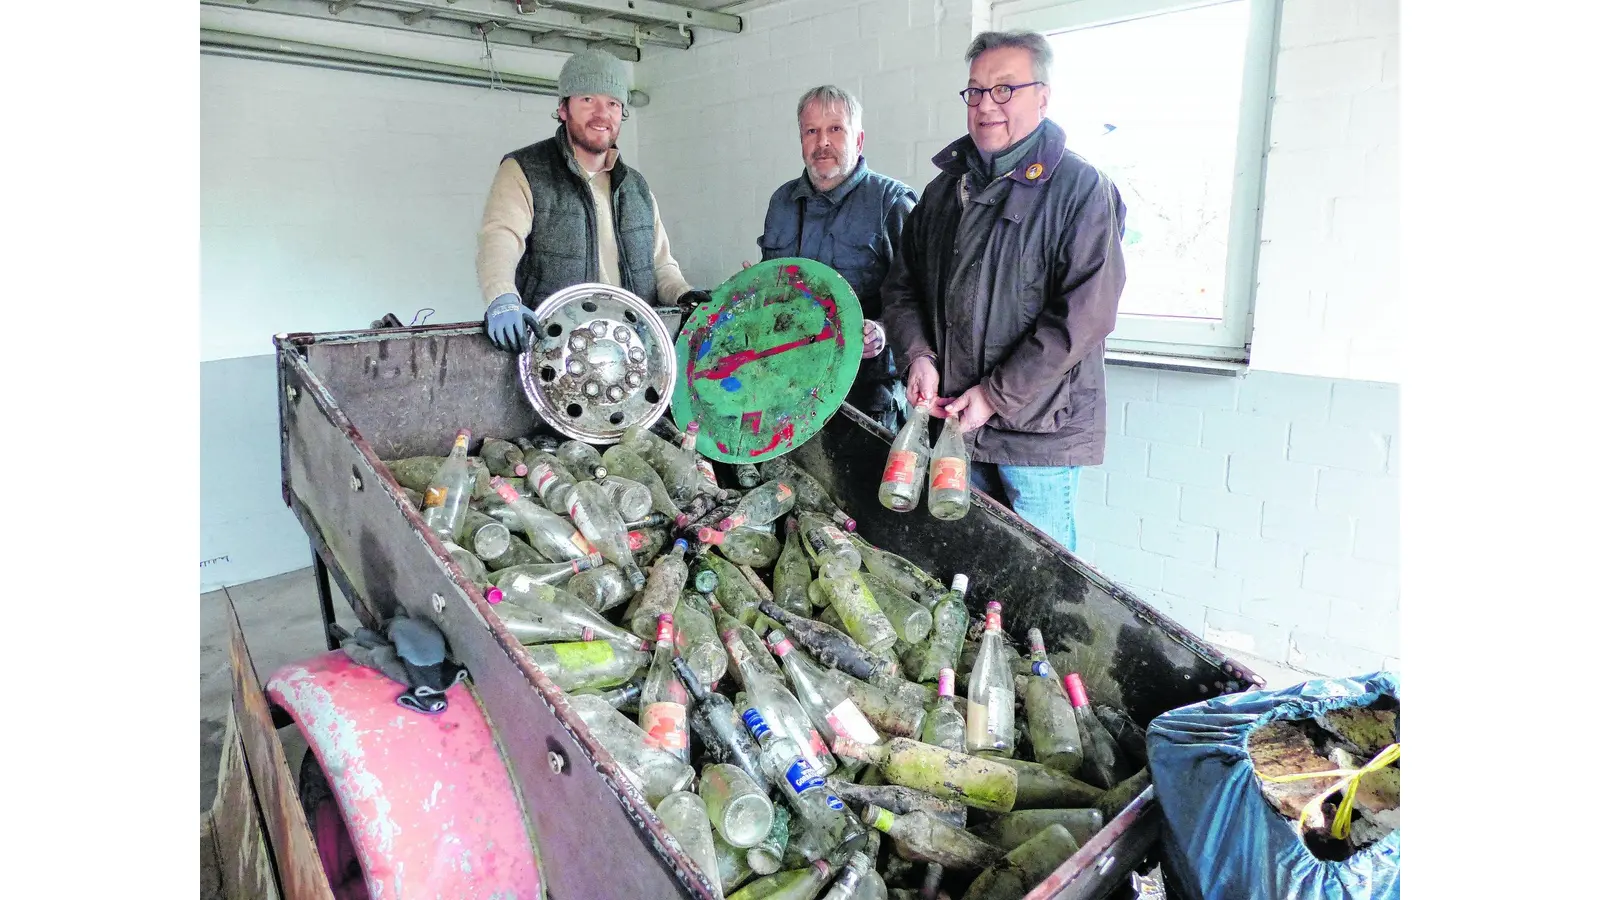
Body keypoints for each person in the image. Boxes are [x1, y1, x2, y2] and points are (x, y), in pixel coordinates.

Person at [879, 31, 1128, 552]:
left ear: (1044, 96)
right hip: (955, 426)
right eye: (975, 91)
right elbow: (902, 287)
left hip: (1037, 433)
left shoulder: (1081, 189)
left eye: (1004, 89)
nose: (986, 105)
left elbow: (1085, 315)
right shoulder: (945, 191)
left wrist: (995, 395)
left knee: (1041, 577)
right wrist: (918, 356)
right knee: (968, 563)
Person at [476, 50, 710, 352]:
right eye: (588, 100)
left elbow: (661, 265)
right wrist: (502, 296)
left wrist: (684, 294)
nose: (602, 114)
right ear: (563, 108)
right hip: (556, 351)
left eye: (613, 103)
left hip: (632, 349)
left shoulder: (635, 187)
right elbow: (500, 237)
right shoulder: (525, 170)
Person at [753, 85, 918, 434]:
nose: (822, 142)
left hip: (865, 393)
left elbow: (920, 296)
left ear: (858, 140)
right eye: (811, 131)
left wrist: (883, 330)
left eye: (835, 129)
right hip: (788, 386)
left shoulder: (890, 203)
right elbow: (775, 288)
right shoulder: (782, 202)